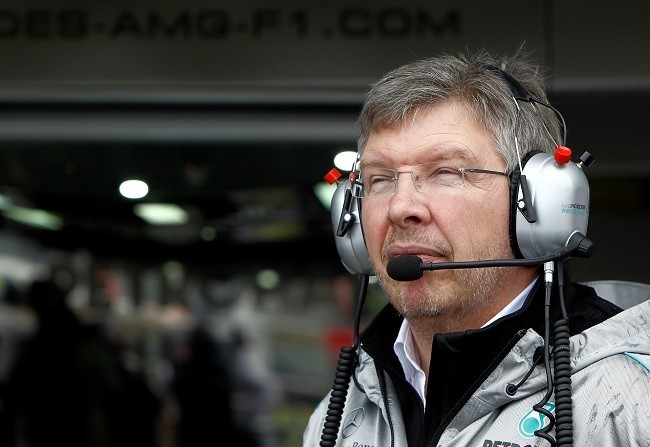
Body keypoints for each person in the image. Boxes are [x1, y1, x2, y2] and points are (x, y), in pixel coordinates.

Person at [303, 49, 650, 447]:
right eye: (380, 179)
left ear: (541, 204)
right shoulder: (340, 413)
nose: (400, 208)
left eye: (446, 172)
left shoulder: (628, 402)